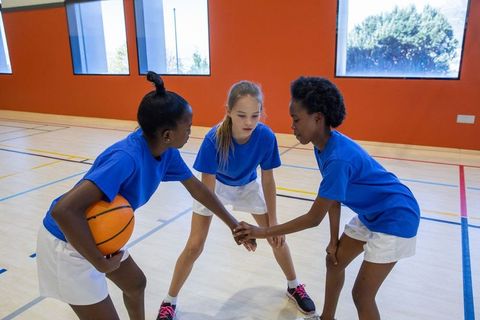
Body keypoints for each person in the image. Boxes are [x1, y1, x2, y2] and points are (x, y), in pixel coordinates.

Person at [36, 71, 253, 320]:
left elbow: (198, 189)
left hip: (97, 236)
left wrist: (233, 224)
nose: (190, 132)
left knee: (135, 284)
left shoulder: (166, 151)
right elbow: (62, 211)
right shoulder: (125, 159)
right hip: (66, 242)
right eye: (188, 127)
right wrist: (99, 262)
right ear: (167, 134)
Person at [234, 76, 420, 320]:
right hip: (372, 213)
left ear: (317, 118)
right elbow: (334, 198)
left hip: (397, 216)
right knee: (334, 261)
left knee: (362, 295)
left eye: (296, 119)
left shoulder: (338, 158)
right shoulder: (321, 145)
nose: (292, 126)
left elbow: (313, 218)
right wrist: (333, 240)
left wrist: (261, 231)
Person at [157, 80, 316, 320]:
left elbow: (268, 180)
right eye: (242, 115)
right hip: (215, 189)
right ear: (228, 111)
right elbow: (206, 192)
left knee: (277, 237)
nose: (249, 122)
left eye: (255, 115)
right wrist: (235, 227)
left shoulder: (265, 136)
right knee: (194, 245)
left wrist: (272, 222)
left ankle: (294, 285)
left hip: (248, 186)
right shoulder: (213, 139)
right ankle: (169, 301)